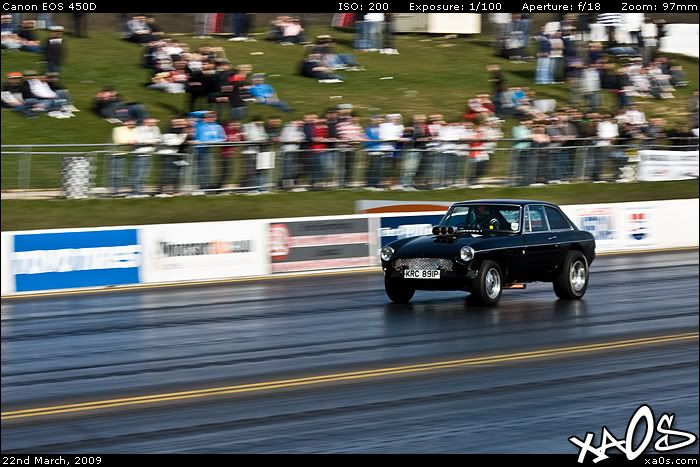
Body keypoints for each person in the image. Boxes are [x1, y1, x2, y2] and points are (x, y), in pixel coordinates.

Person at [191, 111, 226, 192]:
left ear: (215, 118)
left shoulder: (218, 127)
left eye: (212, 116)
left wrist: (214, 142)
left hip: (209, 149)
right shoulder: (199, 124)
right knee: (199, 169)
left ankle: (206, 186)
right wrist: (205, 113)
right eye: (207, 117)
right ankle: (201, 186)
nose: (210, 118)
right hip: (197, 149)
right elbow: (192, 114)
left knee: (208, 169)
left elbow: (223, 138)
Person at [129, 118, 162, 197]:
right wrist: (151, 141)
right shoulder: (138, 129)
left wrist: (151, 141)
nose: (154, 123)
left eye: (154, 121)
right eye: (152, 121)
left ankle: (141, 190)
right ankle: (136, 191)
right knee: (138, 173)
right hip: (140, 153)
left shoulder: (155, 128)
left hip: (149, 153)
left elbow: (159, 139)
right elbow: (138, 140)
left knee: (145, 173)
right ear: (146, 121)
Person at [111, 119, 138, 196]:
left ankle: (122, 190)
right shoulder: (117, 129)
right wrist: (129, 141)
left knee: (126, 173)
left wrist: (134, 141)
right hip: (117, 153)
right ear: (125, 123)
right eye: (129, 122)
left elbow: (137, 139)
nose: (131, 123)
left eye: (132, 122)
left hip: (129, 153)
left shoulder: (135, 130)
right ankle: (115, 191)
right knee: (116, 173)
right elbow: (118, 140)